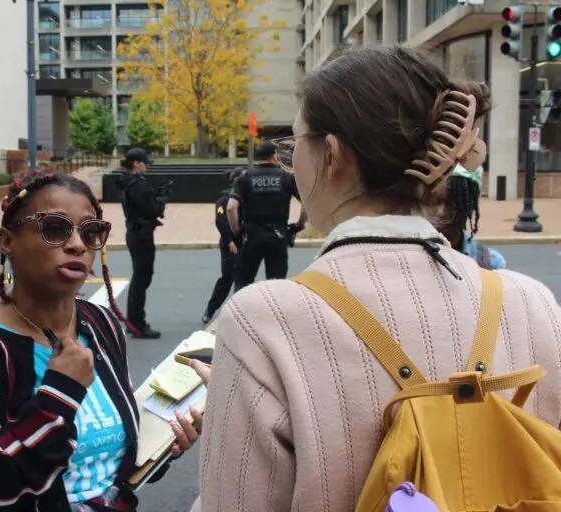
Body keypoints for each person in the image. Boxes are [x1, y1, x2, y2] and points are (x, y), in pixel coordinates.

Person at [193, 45, 561, 511]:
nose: (291, 160)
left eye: (294, 144)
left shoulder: (262, 323)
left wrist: (236, 413)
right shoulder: (532, 302)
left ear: (332, 154)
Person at [0, 170, 201, 512]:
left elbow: (113, 467)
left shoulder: (101, 324)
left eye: (90, 232)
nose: (77, 244)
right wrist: (60, 394)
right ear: (7, 241)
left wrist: (164, 446)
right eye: (54, 228)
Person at [228, 140, 307, 291]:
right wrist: (298, 225)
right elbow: (306, 205)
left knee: (243, 284)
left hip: (251, 236)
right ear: (274, 156)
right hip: (278, 236)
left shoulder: (244, 178)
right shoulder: (287, 178)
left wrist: (237, 231)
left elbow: (231, 207)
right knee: (276, 286)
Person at [116, 147, 169, 339]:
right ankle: (137, 323)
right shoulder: (139, 184)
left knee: (139, 277)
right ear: (137, 164)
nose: (147, 167)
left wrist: (155, 195)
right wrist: (161, 200)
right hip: (142, 234)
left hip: (134, 232)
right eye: (145, 163)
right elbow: (152, 210)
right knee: (142, 278)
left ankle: (134, 321)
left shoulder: (127, 182)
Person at [436, 165, 506, 270]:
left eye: (452, 204)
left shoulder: (490, 263)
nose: (440, 212)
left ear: (469, 206)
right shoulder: (411, 257)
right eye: (432, 203)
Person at [201, 167, 246, 324]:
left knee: (243, 279)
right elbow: (220, 221)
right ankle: (210, 310)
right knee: (227, 277)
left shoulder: (248, 196)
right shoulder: (224, 199)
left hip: (246, 241)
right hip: (230, 243)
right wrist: (230, 241)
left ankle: (239, 314)